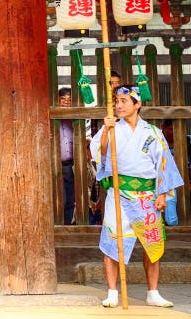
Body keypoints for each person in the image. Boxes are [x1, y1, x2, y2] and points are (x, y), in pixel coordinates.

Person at [90, 85, 184, 308]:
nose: (119, 105)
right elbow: (100, 156)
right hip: (118, 193)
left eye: (124, 101)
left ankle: (153, 292)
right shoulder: (111, 129)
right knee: (114, 240)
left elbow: (164, 165)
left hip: (147, 195)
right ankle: (112, 291)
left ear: (137, 104)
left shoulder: (152, 133)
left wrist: (162, 194)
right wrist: (105, 131)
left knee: (151, 242)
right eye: (117, 101)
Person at [57, 87, 75, 225]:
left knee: (71, 199)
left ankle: (67, 225)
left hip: (72, 165)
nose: (66, 102)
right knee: (58, 198)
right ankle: (57, 225)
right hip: (55, 165)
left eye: (69, 100)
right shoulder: (52, 120)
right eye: (63, 99)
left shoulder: (75, 121)